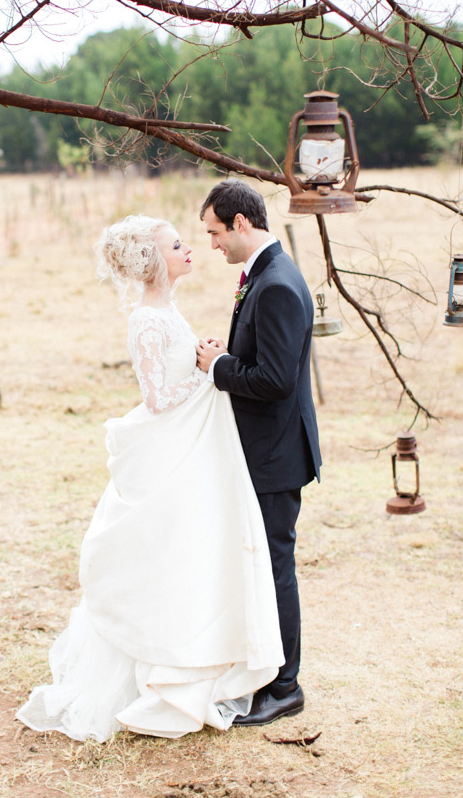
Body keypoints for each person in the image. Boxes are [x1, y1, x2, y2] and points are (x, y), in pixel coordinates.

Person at [16, 214, 284, 742]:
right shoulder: (146, 319)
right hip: (171, 451)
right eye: (178, 245)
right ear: (154, 260)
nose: (190, 250)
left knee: (191, 553)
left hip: (192, 447)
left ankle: (196, 660)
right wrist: (213, 372)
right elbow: (158, 398)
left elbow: (178, 372)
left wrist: (204, 361)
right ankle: (163, 673)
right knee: (170, 553)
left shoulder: (167, 310)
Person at [196, 179, 321, 727]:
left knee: (276, 569)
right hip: (267, 449)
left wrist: (218, 369)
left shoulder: (274, 285)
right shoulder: (267, 275)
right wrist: (230, 353)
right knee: (267, 566)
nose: (213, 244)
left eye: (216, 232)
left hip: (275, 454)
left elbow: (273, 379)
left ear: (242, 223)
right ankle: (268, 674)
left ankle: (286, 687)